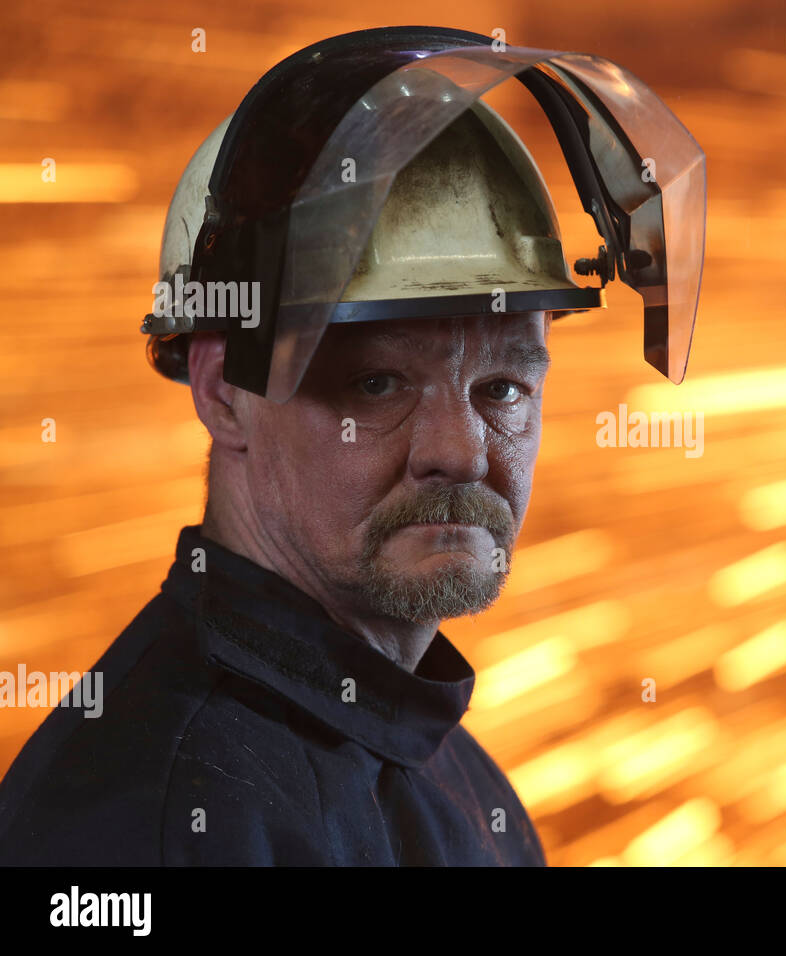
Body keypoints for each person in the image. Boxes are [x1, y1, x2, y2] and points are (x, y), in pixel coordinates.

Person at [0, 25, 704, 865]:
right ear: (225, 392)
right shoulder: (154, 816)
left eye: (503, 388)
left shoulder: (455, 782)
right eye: (377, 384)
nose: (461, 450)